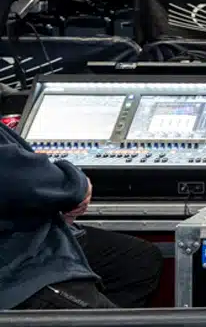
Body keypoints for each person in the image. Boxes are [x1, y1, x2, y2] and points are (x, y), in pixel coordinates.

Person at [1, 122, 163, 310]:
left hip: (25, 233)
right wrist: (75, 185)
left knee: (137, 258)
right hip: (16, 268)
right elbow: (19, 178)